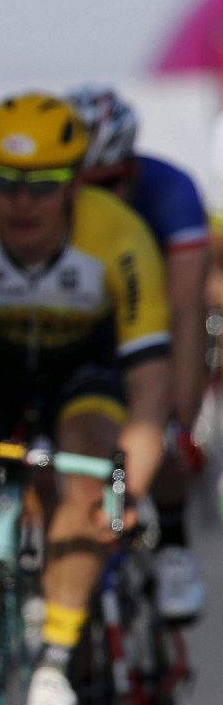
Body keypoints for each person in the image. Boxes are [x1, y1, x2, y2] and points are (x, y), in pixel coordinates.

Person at [0, 92, 172, 705]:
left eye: (43, 185)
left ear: (74, 182)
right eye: (2, 184)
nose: (20, 202)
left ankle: (53, 664)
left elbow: (149, 384)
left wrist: (131, 486)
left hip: (79, 375)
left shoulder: (118, 234)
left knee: (89, 469)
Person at [68, 85, 210, 623]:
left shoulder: (170, 191)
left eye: (107, 185)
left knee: (165, 430)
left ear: (130, 169)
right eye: (80, 188)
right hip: (86, 325)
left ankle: (173, 545)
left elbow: (184, 312)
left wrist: (183, 417)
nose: (95, 200)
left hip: (152, 317)